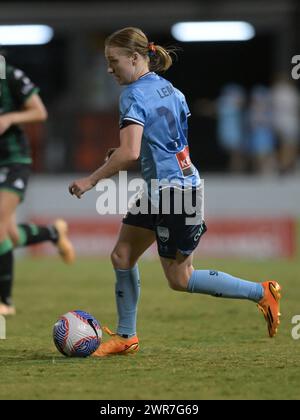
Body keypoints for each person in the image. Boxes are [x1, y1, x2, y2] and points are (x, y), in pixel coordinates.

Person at [69, 27, 281, 357]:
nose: (110, 69)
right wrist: (129, 148)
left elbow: (132, 153)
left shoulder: (132, 95)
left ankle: (262, 291)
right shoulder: (170, 89)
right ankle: (127, 337)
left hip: (177, 195)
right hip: (166, 188)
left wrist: (91, 180)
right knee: (122, 256)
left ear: (135, 58)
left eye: (114, 61)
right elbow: (166, 140)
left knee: (180, 279)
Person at [0, 60, 75, 316]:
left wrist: (10, 117)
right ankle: (53, 233)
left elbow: (39, 112)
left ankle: (5, 302)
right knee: (8, 235)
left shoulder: (10, 76)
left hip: (13, 161)